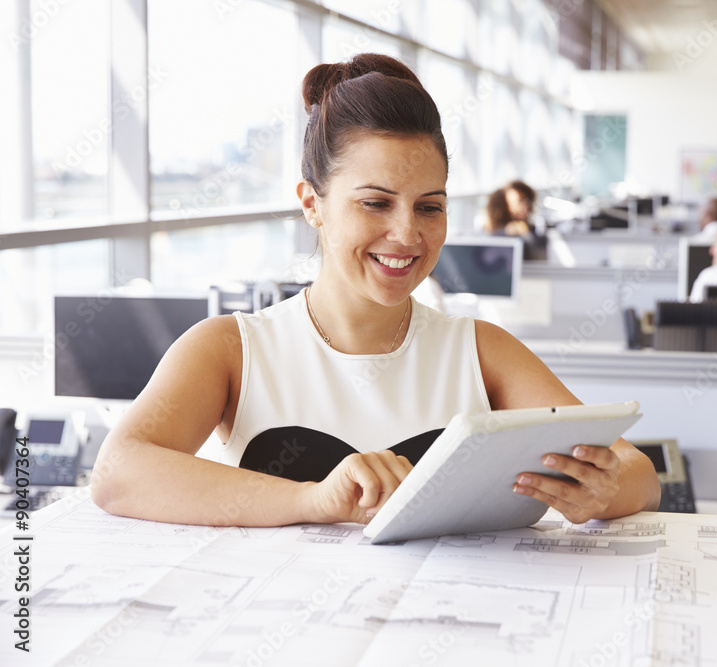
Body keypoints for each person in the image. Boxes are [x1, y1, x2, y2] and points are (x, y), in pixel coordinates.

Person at [90, 53, 659, 527]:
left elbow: (638, 471)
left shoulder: (481, 351)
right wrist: (311, 499)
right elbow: (118, 473)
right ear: (313, 204)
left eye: (429, 207)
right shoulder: (229, 348)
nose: (407, 234)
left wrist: (602, 490)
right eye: (376, 202)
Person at [484, 180, 547, 260]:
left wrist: (526, 233)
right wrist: (507, 232)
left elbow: (539, 251)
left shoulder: (532, 230)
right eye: (519, 200)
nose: (526, 205)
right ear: (505, 203)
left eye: (527, 201)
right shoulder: (494, 232)